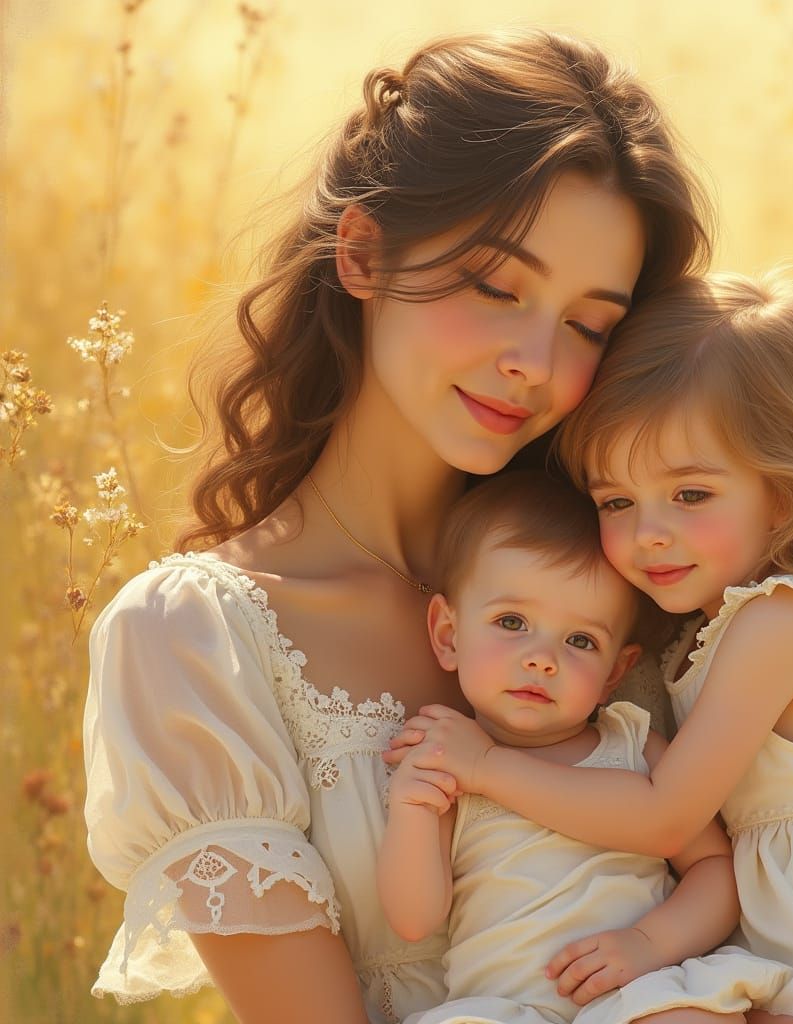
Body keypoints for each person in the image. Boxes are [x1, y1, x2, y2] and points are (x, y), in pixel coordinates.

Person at [82, 28, 715, 1024]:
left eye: (588, 324)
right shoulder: (194, 641)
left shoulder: (630, 569)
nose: (536, 361)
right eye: (498, 287)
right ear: (364, 252)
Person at [387, 272, 793, 1023]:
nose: (649, 533)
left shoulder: (782, 623)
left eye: (690, 495)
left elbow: (664, 815)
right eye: (617, 502)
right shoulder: (711, 620)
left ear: (783, 492)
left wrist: (486, 765)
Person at [379, 470, 791, 1024]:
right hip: (503, 1009)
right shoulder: (445, 763)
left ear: (614, 672)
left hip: (637, 997)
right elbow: (415, 920)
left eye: (580, 641)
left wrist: (649, 942)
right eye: (512, 621)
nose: (541, 658)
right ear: (449, 636)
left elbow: (715, 870)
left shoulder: (634, 746)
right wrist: (410, 808)